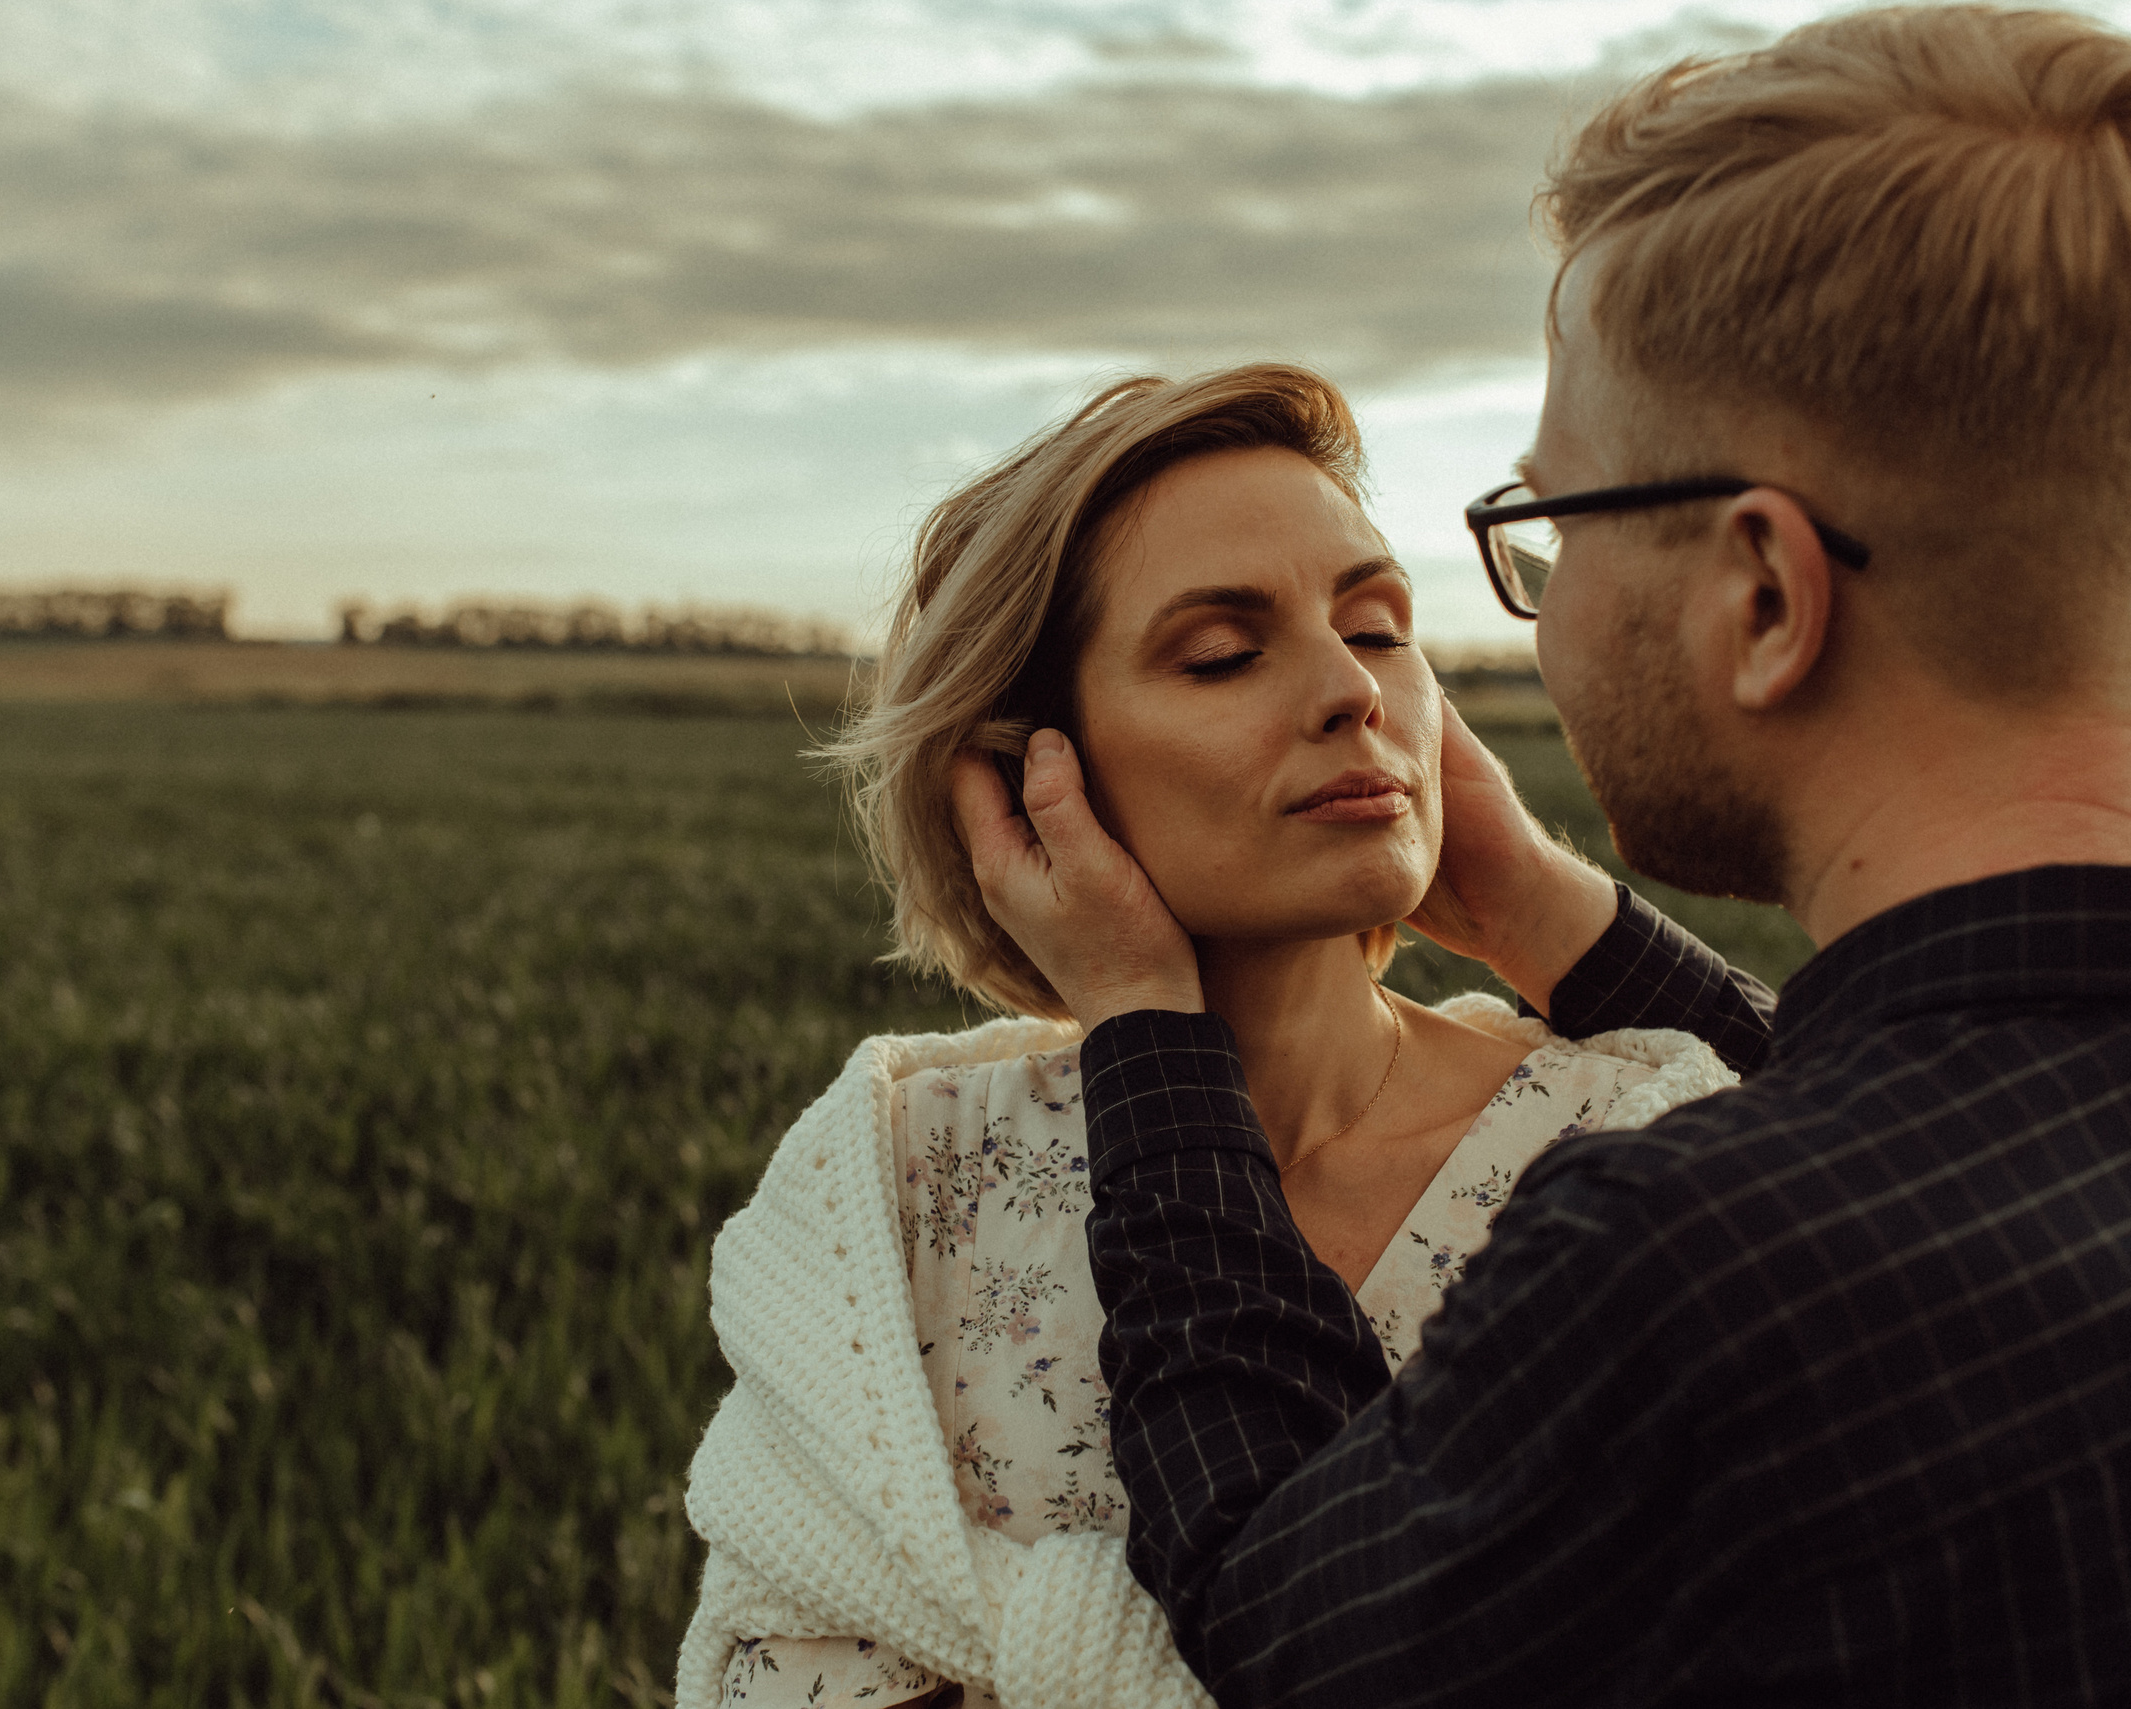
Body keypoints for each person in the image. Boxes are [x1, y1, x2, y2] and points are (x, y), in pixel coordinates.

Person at [952, 8, 2131, 1705]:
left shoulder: (1684, 1272)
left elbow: (1276, 1611)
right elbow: (1966, 1120)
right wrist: (1558, 917)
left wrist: (1143, 1026)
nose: (1520, 631)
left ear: (1766, 594)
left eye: (1554, 530)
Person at [676, 365, 1736, 1708]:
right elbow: (777, 1641)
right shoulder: (901, 1177)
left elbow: (1945, 1175)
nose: (1352, 691)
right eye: (1224, 653)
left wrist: (1537, 894)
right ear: (1023, 775)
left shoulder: (1641, 1131)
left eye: (1379, 628)